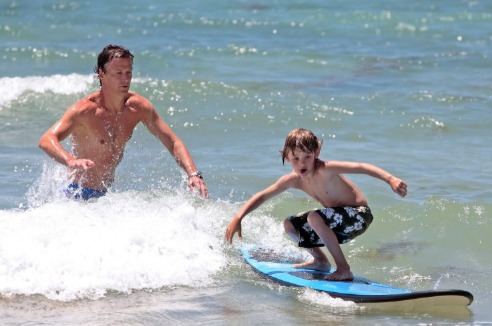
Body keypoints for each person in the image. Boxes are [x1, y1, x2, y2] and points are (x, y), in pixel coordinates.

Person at [225, 128, 407, 281]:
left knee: (314, 217)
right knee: (290, 224)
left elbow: (362, 167)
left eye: (307, 157)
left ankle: (343, 268)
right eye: (295, 158)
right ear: (286, 157)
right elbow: (263, 196)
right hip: (337, 221)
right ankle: (320, 261)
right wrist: (238, 217)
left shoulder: (326, 169)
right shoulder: (293, 180)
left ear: (316, 153)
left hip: (359, 216)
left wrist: (390, 179)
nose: (302, 163)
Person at [38, 44, 208, 200]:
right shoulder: (85, 110)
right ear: (101, 74)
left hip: (103, 197)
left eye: (128, 73)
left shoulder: (138, 107)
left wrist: (193, 174)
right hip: (75, 193)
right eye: (118, 73)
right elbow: (47, 139)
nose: (125, 79)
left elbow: (173, 141)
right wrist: (70, 161)